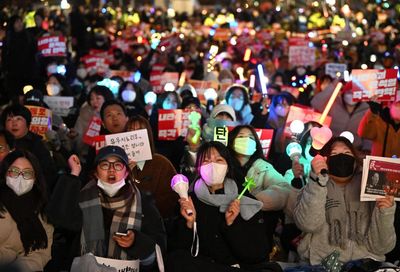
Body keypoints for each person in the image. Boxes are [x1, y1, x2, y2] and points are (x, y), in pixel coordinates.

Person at [47, 146, 166, 271]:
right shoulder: (82, 198)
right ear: (95, 173)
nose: (111, 170)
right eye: (105, 165)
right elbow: (59, 220)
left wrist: (135, 243)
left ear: (126, 172)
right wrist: (74, 174)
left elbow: (156, 255)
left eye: (118, 165)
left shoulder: (143, 203)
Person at [168, 141, 275, 271]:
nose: (213, 165)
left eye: (219, 160)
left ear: (228, 167)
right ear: (198, 168)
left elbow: (257, 254)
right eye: (206, 161)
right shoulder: (189, 202)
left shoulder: (244, 201)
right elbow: (176, 250)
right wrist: (189, 224)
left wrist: (232, 225)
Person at [293, 136, 396, 264]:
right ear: (325, 160)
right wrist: (317, 182)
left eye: (347, 153)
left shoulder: (371, 191)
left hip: (364, 265)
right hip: (321, 264)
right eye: (334, 153)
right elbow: (308, 224)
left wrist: (385, 212)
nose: (341, 156)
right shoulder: (314, 186)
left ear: (355, 160)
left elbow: (382, 247)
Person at [0, 150, 53, 271]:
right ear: (4, 173)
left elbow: (40, 253)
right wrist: (10, 256)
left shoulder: (41, 210)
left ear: (35, 178)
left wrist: (18, 268)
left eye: (27, 173)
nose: (20, 177)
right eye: (14, 171)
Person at [126, 115, 178, 219]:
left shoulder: (161, 163)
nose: (135, 135)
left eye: (140, 131)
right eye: (131, 131)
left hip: (155, 223)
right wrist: (125, 174)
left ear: (148, 135)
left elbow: (171, 198)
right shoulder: (117, 165)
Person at [1, 104, 58, 194]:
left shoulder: (38, 145)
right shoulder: (2, 142)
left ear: (27, 123)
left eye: (18, 119)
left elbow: (48, 175)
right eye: (9, 120)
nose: (14, 123)